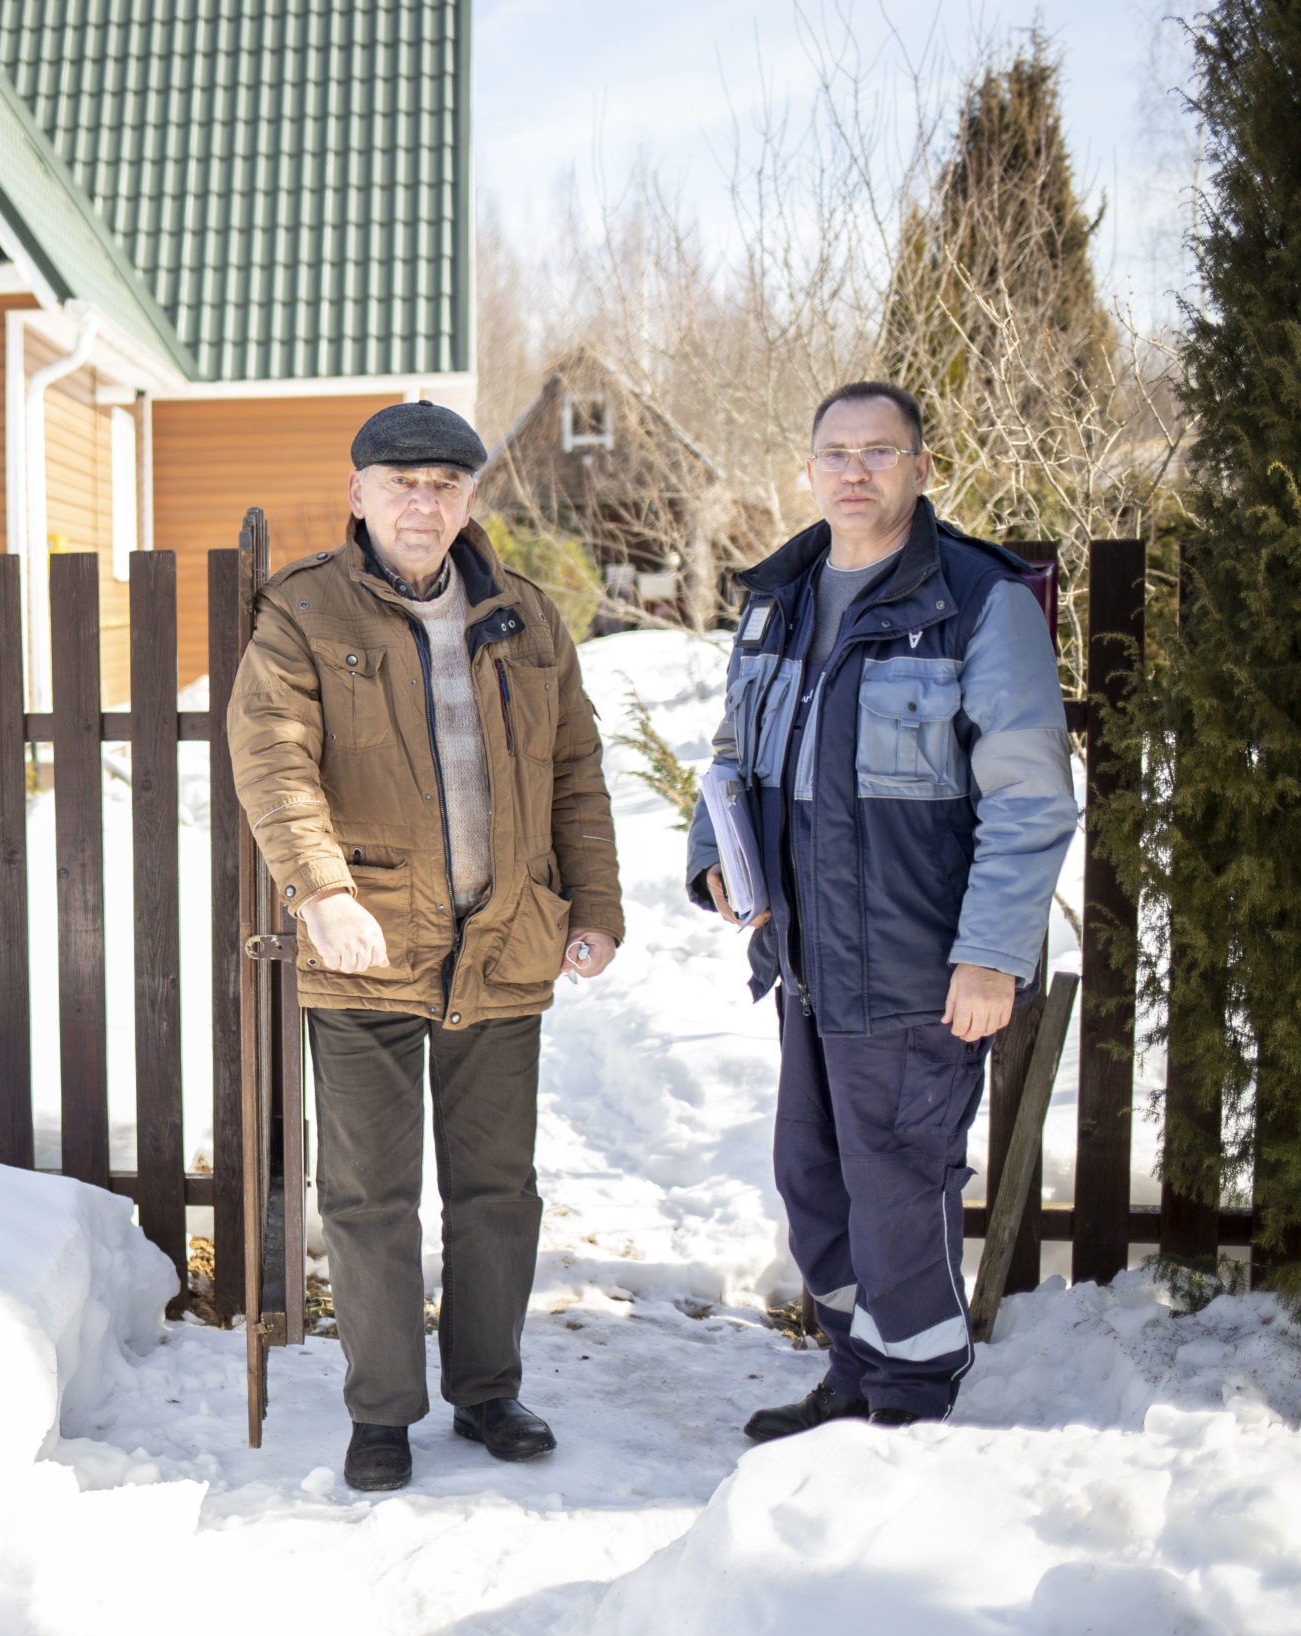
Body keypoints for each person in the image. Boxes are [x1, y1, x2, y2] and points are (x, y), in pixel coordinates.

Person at [229, 400, 625, 1491]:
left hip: (501, 943)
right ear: (356, 493)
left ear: (468, 499)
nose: (422, 501)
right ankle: (384, 1411)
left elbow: (574, 777)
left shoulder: (530, 618)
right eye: (399, 482)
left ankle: (488, 1391)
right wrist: (320, 892)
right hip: (363, 953)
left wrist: (592, 904)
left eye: (443, 484)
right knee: (367, 1198)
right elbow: (274, 763)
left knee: (498, 1189)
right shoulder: (303, 611)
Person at [687, 381, 1075, 1438]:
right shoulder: (780, 595)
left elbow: (1031, 799)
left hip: (915, 965)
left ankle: (909, 1408)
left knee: (898, 1193)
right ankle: (855, 1376)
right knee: (813, 1180)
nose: (852, 472)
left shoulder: (976, 601)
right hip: (805, 958)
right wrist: (712, 857)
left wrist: (990, 956)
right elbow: (732, 757)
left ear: (920, 467)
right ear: (807, 468)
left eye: (878, 451)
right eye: (834, 453)